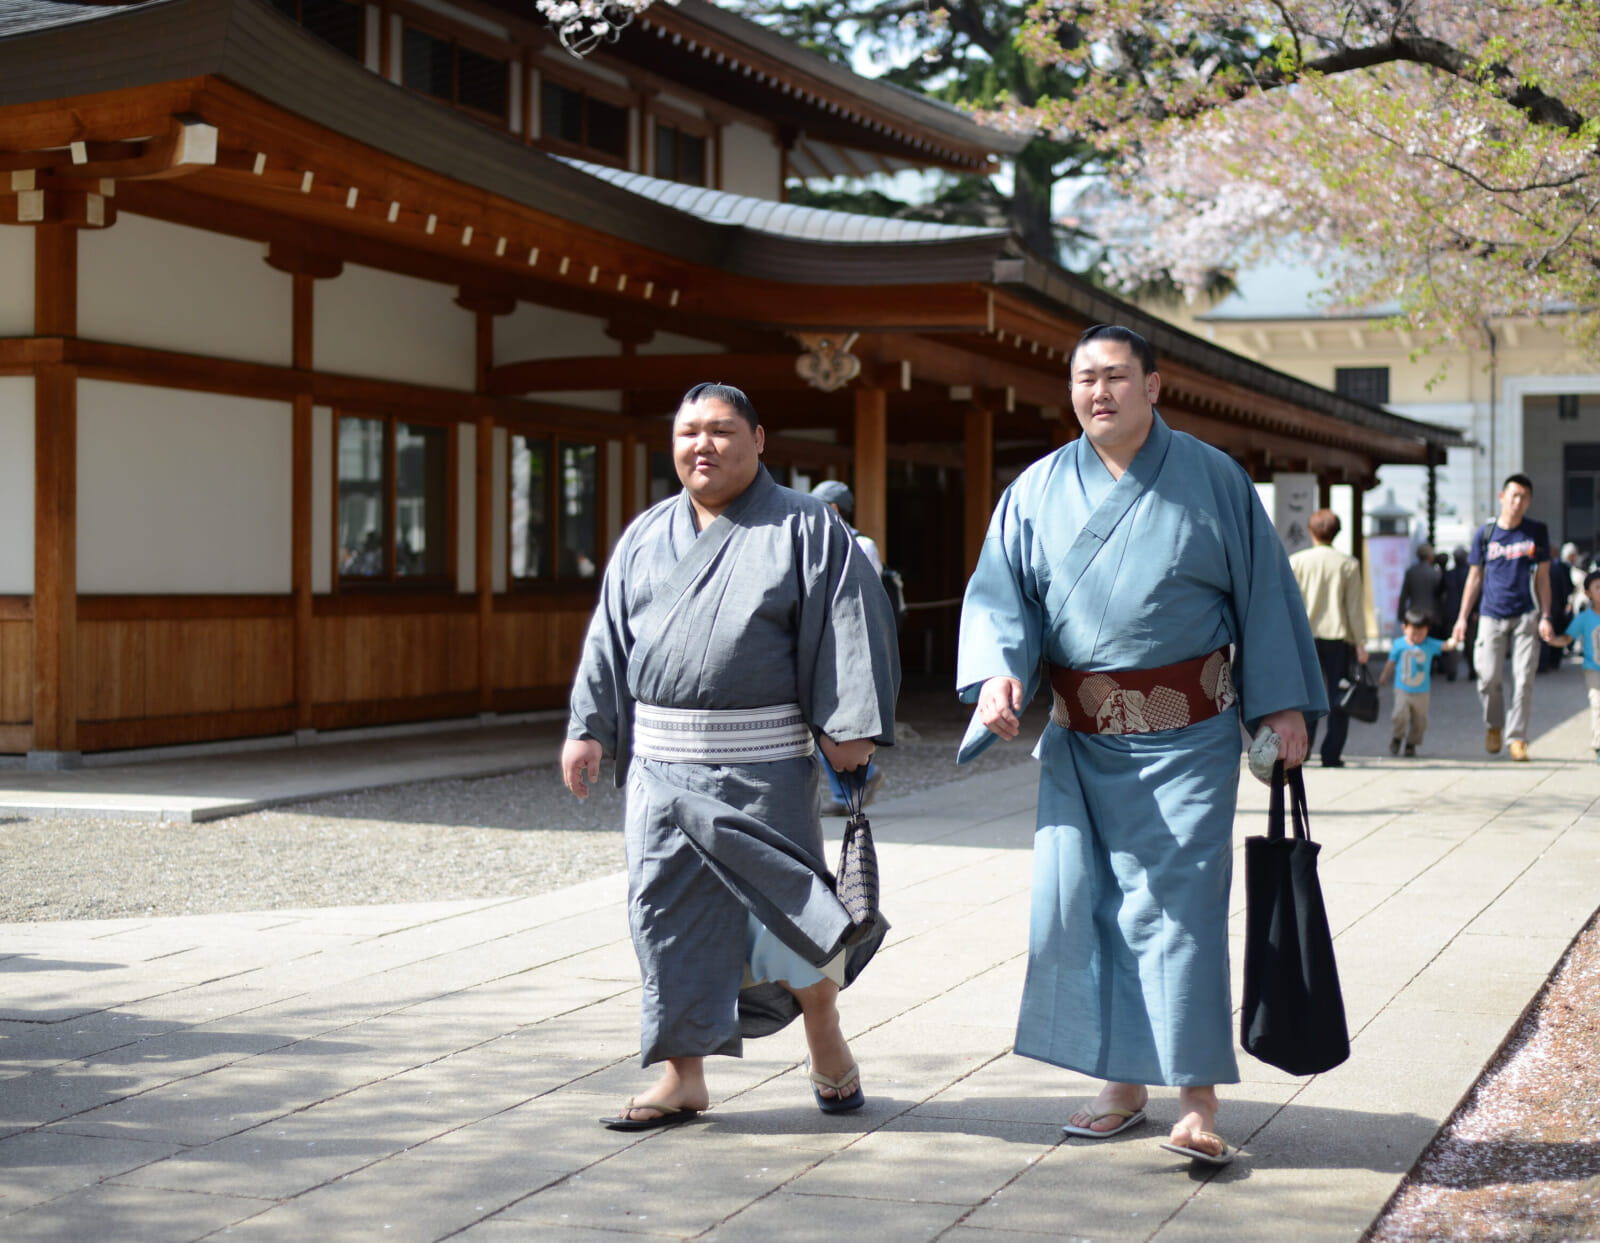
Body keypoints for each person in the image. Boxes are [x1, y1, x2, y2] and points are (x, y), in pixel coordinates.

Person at [955, 324, 1325, 1167]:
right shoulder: (1037, 490)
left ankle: (1196, 1098)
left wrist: (1280, 706)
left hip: (1186, 737)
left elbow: (1264, 595)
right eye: (1085, 378)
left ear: (1153, 386)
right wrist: (1000, 676)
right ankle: (1120, 1082)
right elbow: (1001, 598)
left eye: (1117, 376)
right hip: (1080, 738)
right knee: (1086, 904)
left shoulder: (1213, 478)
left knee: (1181, 911)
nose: (1100, 392)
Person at [563, 381, 900, 1131]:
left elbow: (849, 624)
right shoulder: (646, 535)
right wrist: (589, 725)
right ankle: (683, 1075)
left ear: (758, 439)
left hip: (763, 762)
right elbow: (609, 636)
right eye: (688, 433)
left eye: (720, 430)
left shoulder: (807, 526)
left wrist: (849, 724)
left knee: (791, 911)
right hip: (660, 767)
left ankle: (824, 1031)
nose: (702, 445)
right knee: (663, 914)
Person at [1451, 475, 1558, 761]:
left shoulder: (1536, 531)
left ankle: (1517, 737)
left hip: (1526, 614)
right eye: (1514, 495)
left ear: (1529, 501)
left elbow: (1543, 577)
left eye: (1524, 497)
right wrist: (1462, 618)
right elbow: (1474, 578)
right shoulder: (1485, 534)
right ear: (1502, 497)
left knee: (1524, 679)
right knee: (1488, 677)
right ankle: (1494, 725)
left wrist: (1546, 616)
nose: (1518, 502)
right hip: (1491, 614)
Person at [810, 480, 888, 814]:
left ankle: (859, 781)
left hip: (851, 645)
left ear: (833, 509)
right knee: (824, 720)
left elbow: (865, 596)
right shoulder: (815, 541)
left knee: (832, 719)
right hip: (826, 641)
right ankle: (849, 790)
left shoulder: (861, 544)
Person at [1290, 509, 1369, 768]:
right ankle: (1332, 753)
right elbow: (1354, 608)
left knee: (1306, 695)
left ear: (1310, 531)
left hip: (1305, 637)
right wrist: (1360, 642)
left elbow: (1289, 604)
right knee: (1339, 695)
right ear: (1336, 533)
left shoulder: (1296, 562)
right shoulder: (1348, 564)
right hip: (1338, 636)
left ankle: (1303, 749)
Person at [1378, 608, 1459, 756]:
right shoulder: (1399, 644)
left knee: (1420, 721)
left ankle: (1412, 743)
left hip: (1422, 692)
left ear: (1427, 630)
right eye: (1413, 633)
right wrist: (1384, 675)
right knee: (1399, 715)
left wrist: (1455, 638)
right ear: (1404, 628)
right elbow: (1391, 661)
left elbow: (1446, 646)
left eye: (1421, 634)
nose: (1417, 637)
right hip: (1402, 688)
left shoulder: (1429, 644)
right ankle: (1397, 737)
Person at [1547, 570, 1600, 763]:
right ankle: (1599, 745)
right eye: (1598, 588)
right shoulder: (1584, 618)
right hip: (1593, 669)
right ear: (1588, 593)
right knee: (1598, 705)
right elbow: (1568, 638)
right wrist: (1552, 640)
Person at [1440, 546, 1471, 681]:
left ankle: (1452, 671)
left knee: (1452, 641)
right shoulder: (1470, 573)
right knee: (1470, 642)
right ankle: (1472, 669)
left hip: (1451, 611)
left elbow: (1438, 590)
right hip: (1468, 612)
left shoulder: (1449, 574)